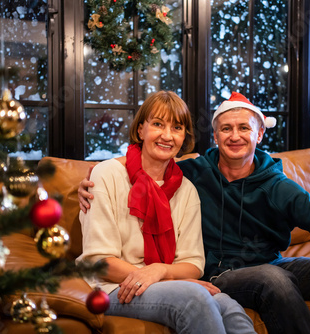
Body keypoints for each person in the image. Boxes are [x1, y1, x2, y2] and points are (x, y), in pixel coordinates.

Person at [79, 92, 310, 334]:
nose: (235, 136)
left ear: (259, 135)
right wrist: (94, 173)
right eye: (226, 128)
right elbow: (150, 161)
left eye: (244, 128)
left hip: (264, 265)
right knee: (274, 279)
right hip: (219, 273)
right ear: (215, 136)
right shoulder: (195, 173)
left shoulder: (277, 187)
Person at [76, 91, 256, 334]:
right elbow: (100, 262)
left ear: (184, 137)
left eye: (177, 127)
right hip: (112, 286)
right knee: (194, 299)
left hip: (165, 283)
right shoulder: (106, 175)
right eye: (158, 124)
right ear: (141, 130)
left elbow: (193, 263)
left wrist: (162, 271)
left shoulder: (186, 189)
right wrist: (164, 278)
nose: (167, 135)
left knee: (230, 308)